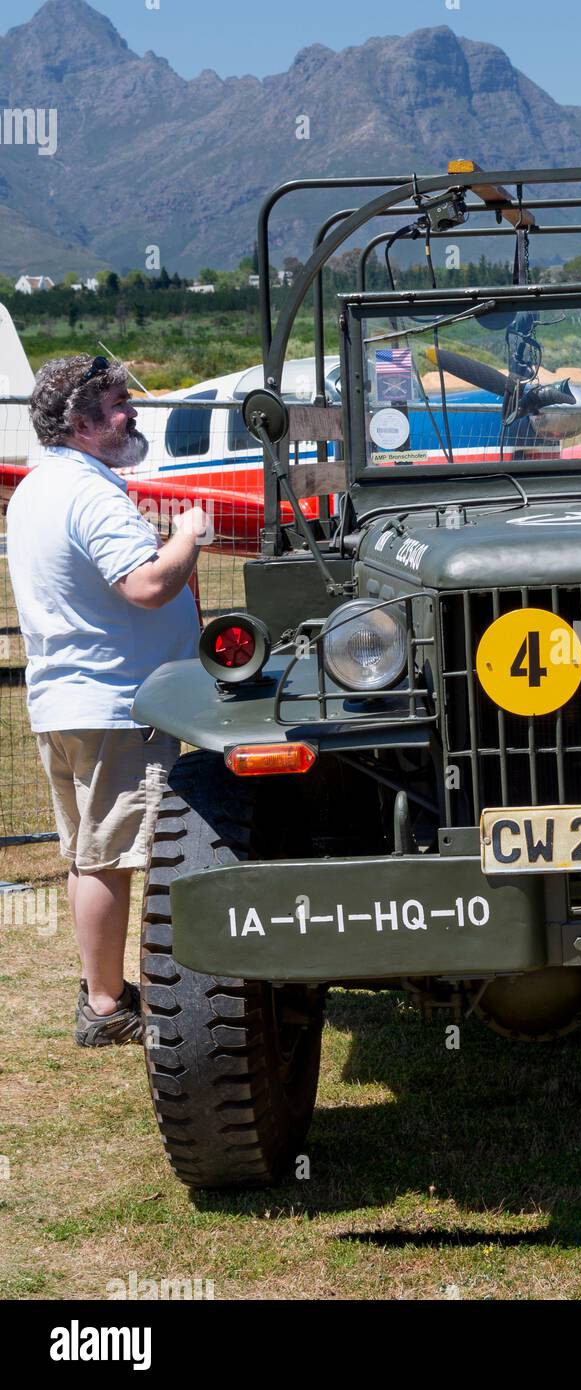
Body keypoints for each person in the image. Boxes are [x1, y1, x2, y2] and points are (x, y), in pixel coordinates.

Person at [6, 354, 209, 1045]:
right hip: (117, 705)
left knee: (95, 855)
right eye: (120, 404)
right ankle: (111, 1005)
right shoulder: (91, 493)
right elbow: (147, 586)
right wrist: (187, 537)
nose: (133, 414)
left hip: (72, 703)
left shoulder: (38, 487)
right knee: (126, 855)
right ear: (83, 422)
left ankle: (106, 996)